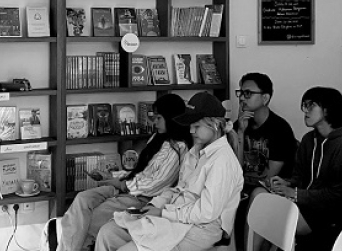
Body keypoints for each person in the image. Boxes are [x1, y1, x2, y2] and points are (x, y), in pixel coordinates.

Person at [94, 92, 243, 251]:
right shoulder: (194, 153)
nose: (191, 131)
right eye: (190, 125)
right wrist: (154, 205)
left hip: (201, 228)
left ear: (214, 125)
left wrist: (163, 213)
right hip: (176, 216)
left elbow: (206, 213)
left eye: (196, 126)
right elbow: (178, 190)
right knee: (109, 233)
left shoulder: (222, 162)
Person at [59, 94, 191, 251]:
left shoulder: (178, 147)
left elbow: (154, 184)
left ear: (171, 118)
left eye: (159, 118)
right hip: (126, 188)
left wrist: (124, 185)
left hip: (141, 197)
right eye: (154, 117)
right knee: (82, 199)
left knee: (88, 220)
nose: (155, 122)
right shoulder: (158, 137)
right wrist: (110, 176)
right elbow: (139, 172)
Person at [269, 87, 342, 249]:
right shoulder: (308, 140)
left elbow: (336, 195)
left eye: (311, 105)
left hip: (328, 212)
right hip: (305, 204)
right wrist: (286, 184)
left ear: (327, 110)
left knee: (273, 216)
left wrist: (296, 194)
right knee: (261, 197)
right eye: (304, 105)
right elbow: (299, 177)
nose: (305, 110)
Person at [233, 73, 297, 251]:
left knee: (256, 196)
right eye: (240, 93)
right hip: (244, 186)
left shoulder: (280, 129)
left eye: (248, 93)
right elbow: (233, 168)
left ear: (265, 98)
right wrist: (240, 133)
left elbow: (269, 176)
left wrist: (241, 181)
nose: (241, 99)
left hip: (271, 189)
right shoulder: (240, 125)